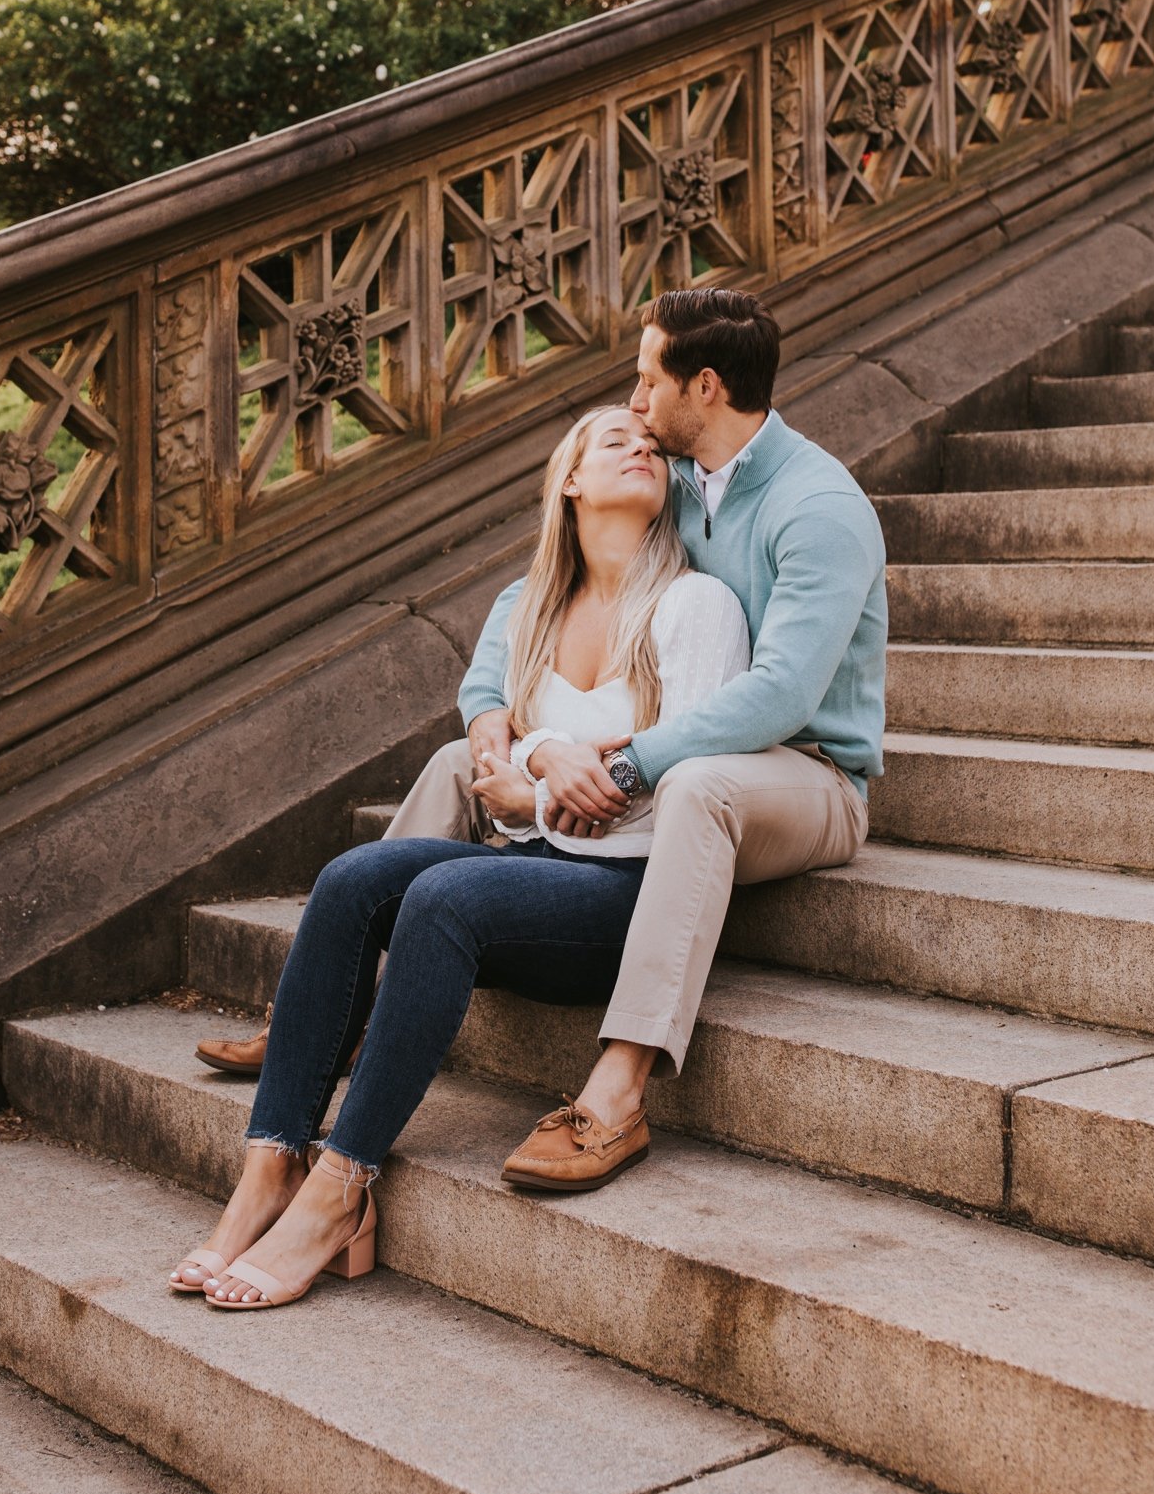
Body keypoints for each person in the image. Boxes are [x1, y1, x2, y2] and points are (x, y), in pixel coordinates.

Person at [170, 403, 749, 1309]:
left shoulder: (696, 605)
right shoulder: (530, 610)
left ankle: (341, 1189)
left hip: (632, 890)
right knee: (354, 878)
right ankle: (268, 1169)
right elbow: (491, 742)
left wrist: (542, 782)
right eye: (614, 441)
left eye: (651, 445)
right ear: (569, 481)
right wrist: (543, 756)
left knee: (444, 894)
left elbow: (691, 764)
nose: (642, 447)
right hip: (541, 863)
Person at [455, 286, 886, 1191]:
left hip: (808, 777)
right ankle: (348, 991)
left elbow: (780, 695)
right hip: (702, 751)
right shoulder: (684, 481)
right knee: (454, 759)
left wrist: (623, 759)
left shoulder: (820, 509)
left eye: (649, 380)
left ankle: (617, 1093)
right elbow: (544, 576)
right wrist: (490, 700)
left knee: (699, 787)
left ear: (705, 386)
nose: (636, 403)